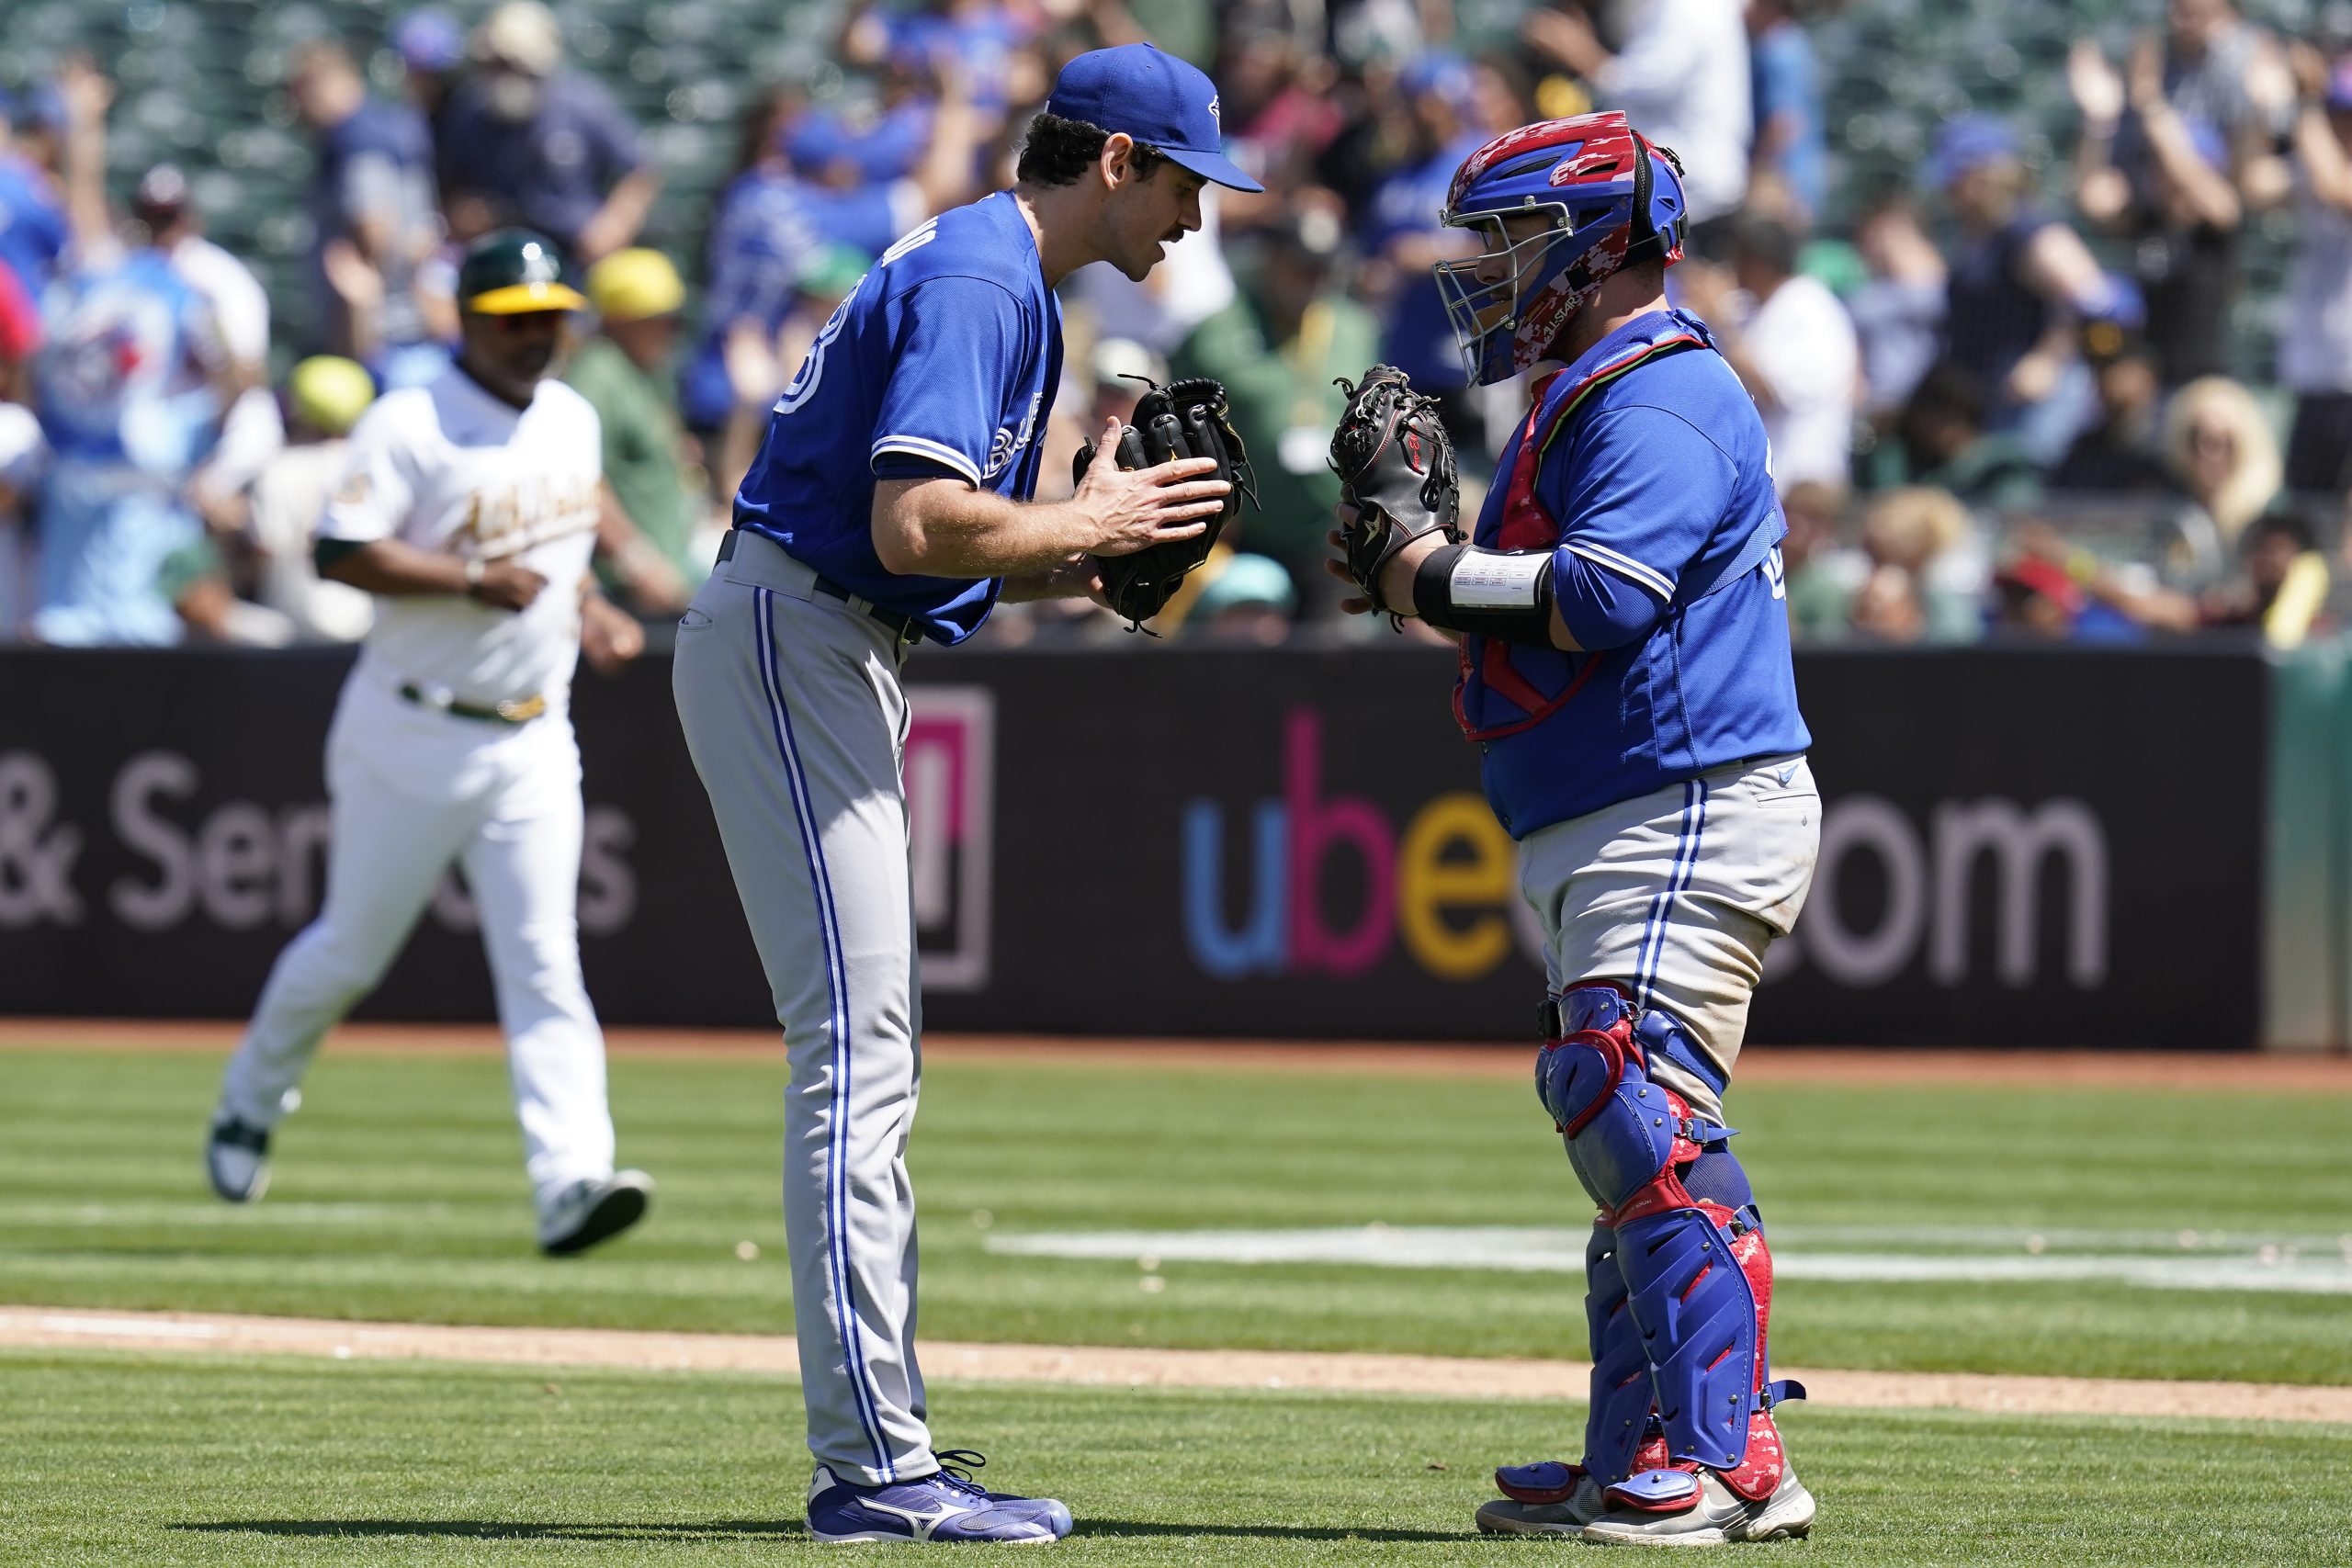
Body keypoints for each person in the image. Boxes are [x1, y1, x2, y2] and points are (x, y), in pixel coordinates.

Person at [670, 42, 1258, 1545]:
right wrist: (1088, 511)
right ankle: (875, 1468)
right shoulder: (992, 280)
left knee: (867, 1049)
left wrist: (1079, 547)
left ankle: (885, 1448)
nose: (1201, 214)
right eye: (1188, 179)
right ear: (1117, 160)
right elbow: (915, 517)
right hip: (794, 627)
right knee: (857, 1056)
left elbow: (947, 552)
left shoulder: (1007, 276)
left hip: (823, 632)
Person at [1342, 109, 1815, 1545]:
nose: (1488, 270)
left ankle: (1729, 1459)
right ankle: (1638, 1451)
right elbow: (1547, 628)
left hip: (1683, 797)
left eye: (1512, 239)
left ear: (1601, 241)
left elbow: (1606, 595)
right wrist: (1436, 578)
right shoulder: (1593, 389)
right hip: (1628, 805)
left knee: (1635, 1109)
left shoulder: (1661, 393)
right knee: (1621, 1126)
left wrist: (1428, 570)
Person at [205, 231, 655, 1260]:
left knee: (546, 963)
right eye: (515, 318)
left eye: (551, 315)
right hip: (410, 724)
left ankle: (569, 1182)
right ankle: (250, 1098)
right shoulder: (409, 420)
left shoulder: (573, 417)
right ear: (466, 318)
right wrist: (464, 581)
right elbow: (339, 549)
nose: (538, 334)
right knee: (348, 952)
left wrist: (590, 609)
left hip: (534, 733)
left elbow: (561, 548)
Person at [1930, 115, 2114, 464]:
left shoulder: (2027, 233)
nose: (1948, 191)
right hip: (1997, 401)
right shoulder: (1976, 237)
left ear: (1985, 175)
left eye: (1957, 178)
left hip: (2043, 405)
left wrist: (2049, 358)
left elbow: (2093, 298)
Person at [438, 1, 662, 265]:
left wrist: (614, 224)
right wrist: (463, 212)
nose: (502, 77)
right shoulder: (470, 111)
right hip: (504, 254)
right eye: (494, 66)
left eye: (512, 65)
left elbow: (640, 172)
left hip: (576, 256)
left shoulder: (582, 104)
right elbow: (450, 186)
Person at [287, 39, 445, 386]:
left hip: (381, 331)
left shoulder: (355, 136)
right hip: (407, 323)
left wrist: (358, 311)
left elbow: (373, 225)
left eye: (297, 93)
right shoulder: (388, 123)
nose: (295, 108)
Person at [1520, 0, 1753, 235]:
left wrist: (1578, 50)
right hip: (1686, 187)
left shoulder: (1685, 7)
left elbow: (1648, 85)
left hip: (1694, 192)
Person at [1675, 213, 1857, 494]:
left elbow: (1773, 391)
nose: (1730, 267)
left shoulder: (1807, 305)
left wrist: (1720, 320)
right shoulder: (1757, 304)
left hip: (1801, 486)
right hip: (1768, 485)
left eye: (1737, 257)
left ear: (1757, 261)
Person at [568, 247, 703, 615]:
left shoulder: (643, 371)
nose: (672, 331)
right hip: (627, 593)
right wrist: (636, 562)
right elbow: (579, 482)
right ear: (621, 321)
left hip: (672, 574)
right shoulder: (597, 374)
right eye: (662, 320)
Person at [244, 355, 379, 642]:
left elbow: (266, 547)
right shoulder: (367, 467)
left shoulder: (277, 470)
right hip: (364, 627)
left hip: (294, 631)